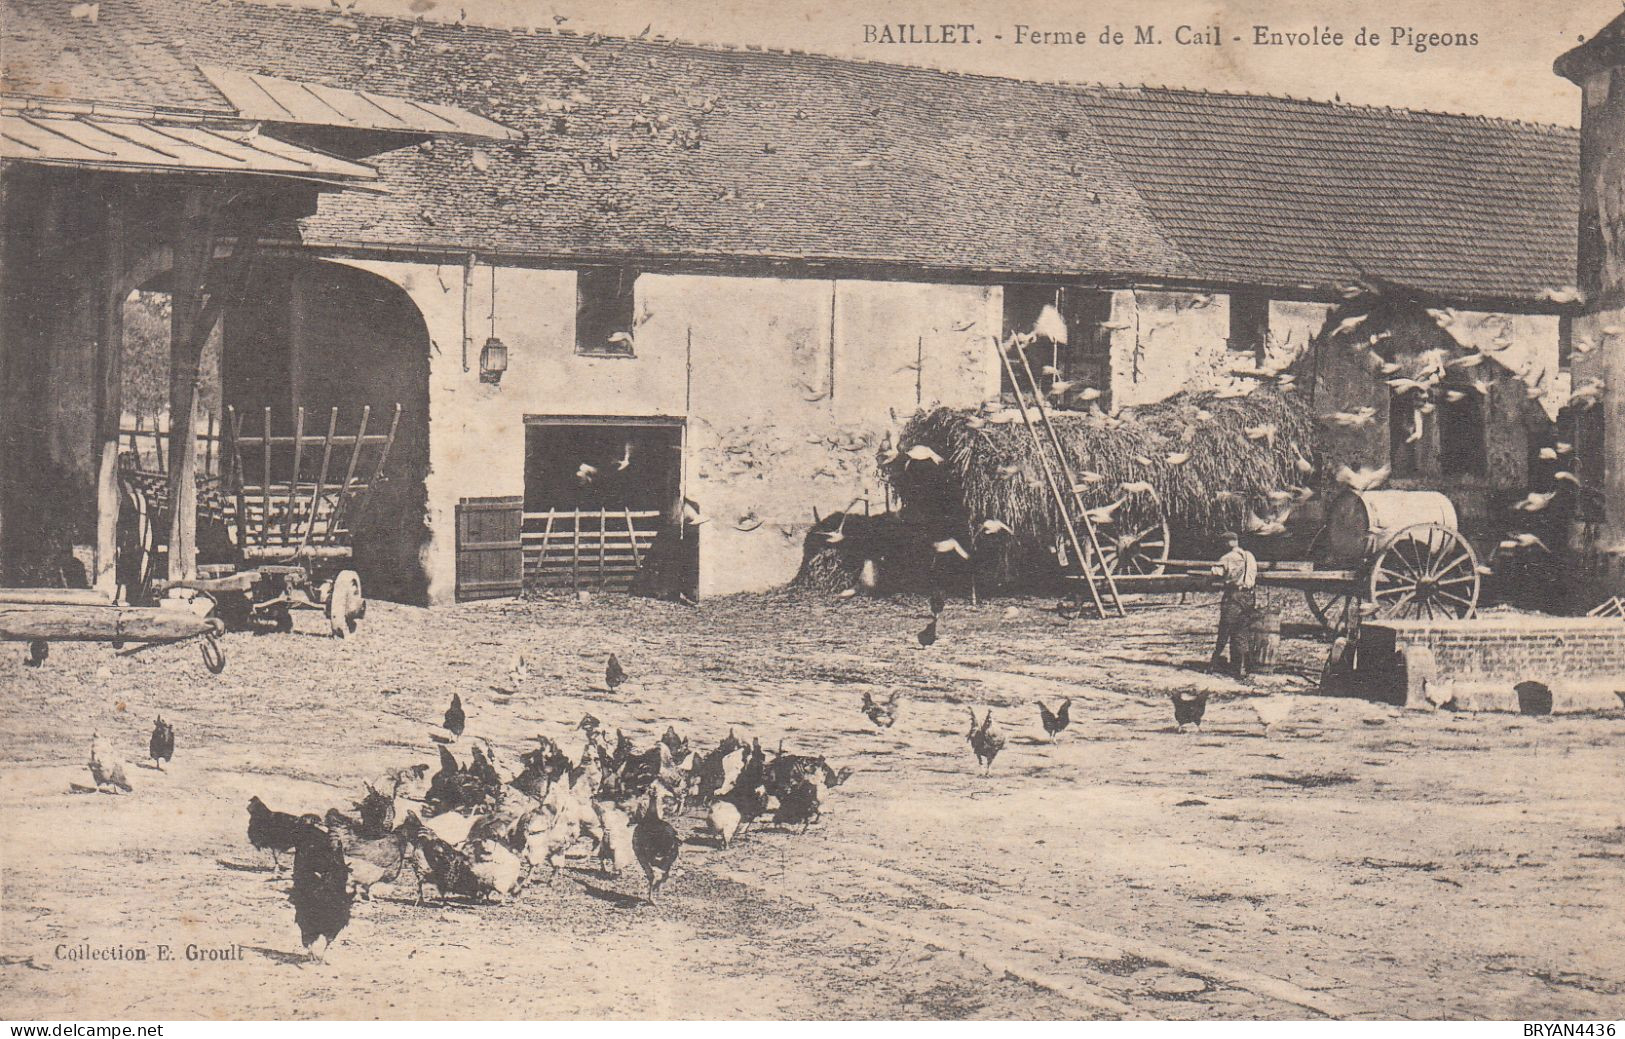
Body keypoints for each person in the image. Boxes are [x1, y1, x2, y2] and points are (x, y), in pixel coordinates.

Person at [1211, 531, 1258, 679]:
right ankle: (1242, 667)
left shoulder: (1227, 558)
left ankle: (1213, 664)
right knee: (1241, 631)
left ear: (1227, 543)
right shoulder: (1250, 556)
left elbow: (1216, 573)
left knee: (1225, 631)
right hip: (1249, 596)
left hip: (1234, 596)